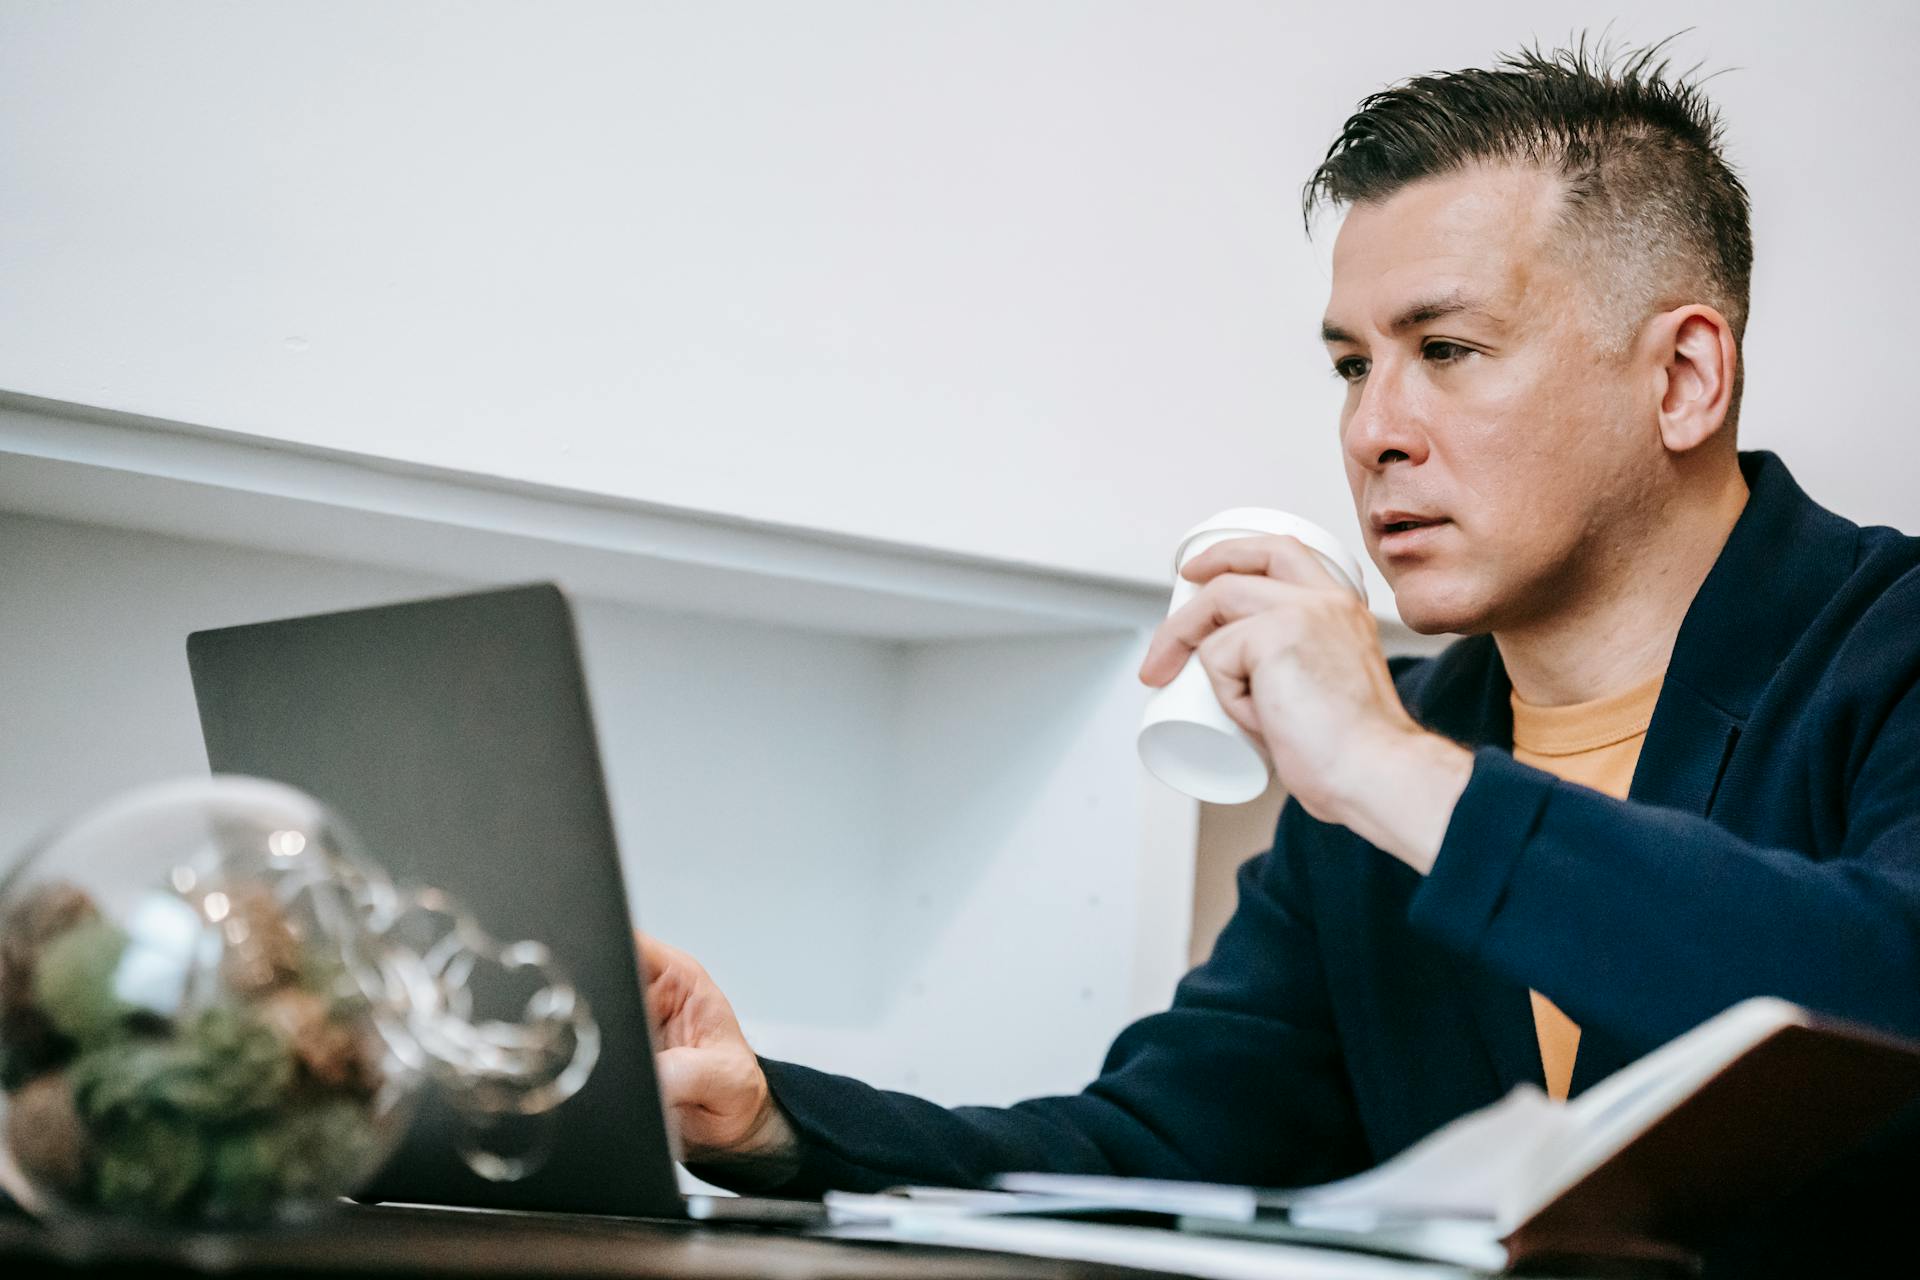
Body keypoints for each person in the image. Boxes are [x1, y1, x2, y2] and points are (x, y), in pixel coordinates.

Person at [638, 38, 1920, 1273]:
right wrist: (771, 1119)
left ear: (1686, 374)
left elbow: (1881, 1002)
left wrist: (1385, 765)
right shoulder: (1387, 765)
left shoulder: (1881, 643)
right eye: (1353, 365)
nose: (1372, 429)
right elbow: (1149, 1147)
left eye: (1447, 351)